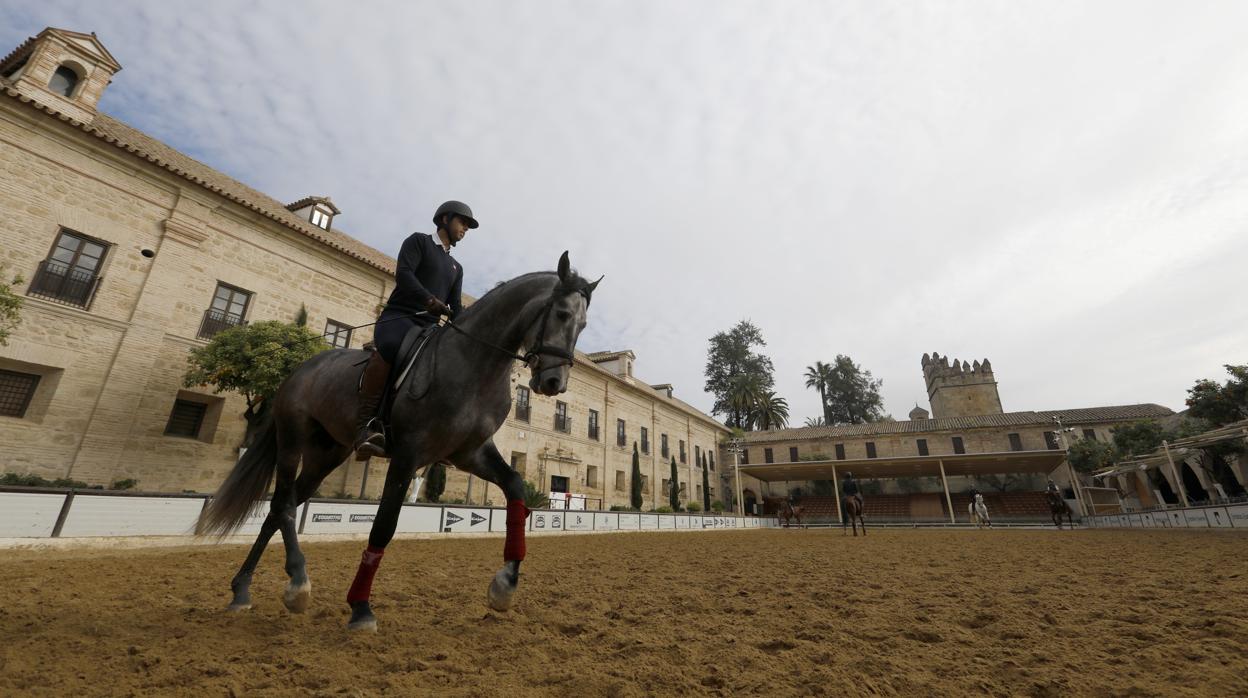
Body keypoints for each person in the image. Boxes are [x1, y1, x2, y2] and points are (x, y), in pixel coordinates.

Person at [354, 201, 478, 459]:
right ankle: (366, 425)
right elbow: (405, 274)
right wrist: (428, 300)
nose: (465, 229)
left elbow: (455, 307)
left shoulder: (457, 267)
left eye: (467, 226)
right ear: (445, 219)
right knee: (390, 348)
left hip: (429, 328)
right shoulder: (419, 242)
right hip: (400, 316)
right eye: (462, 223)